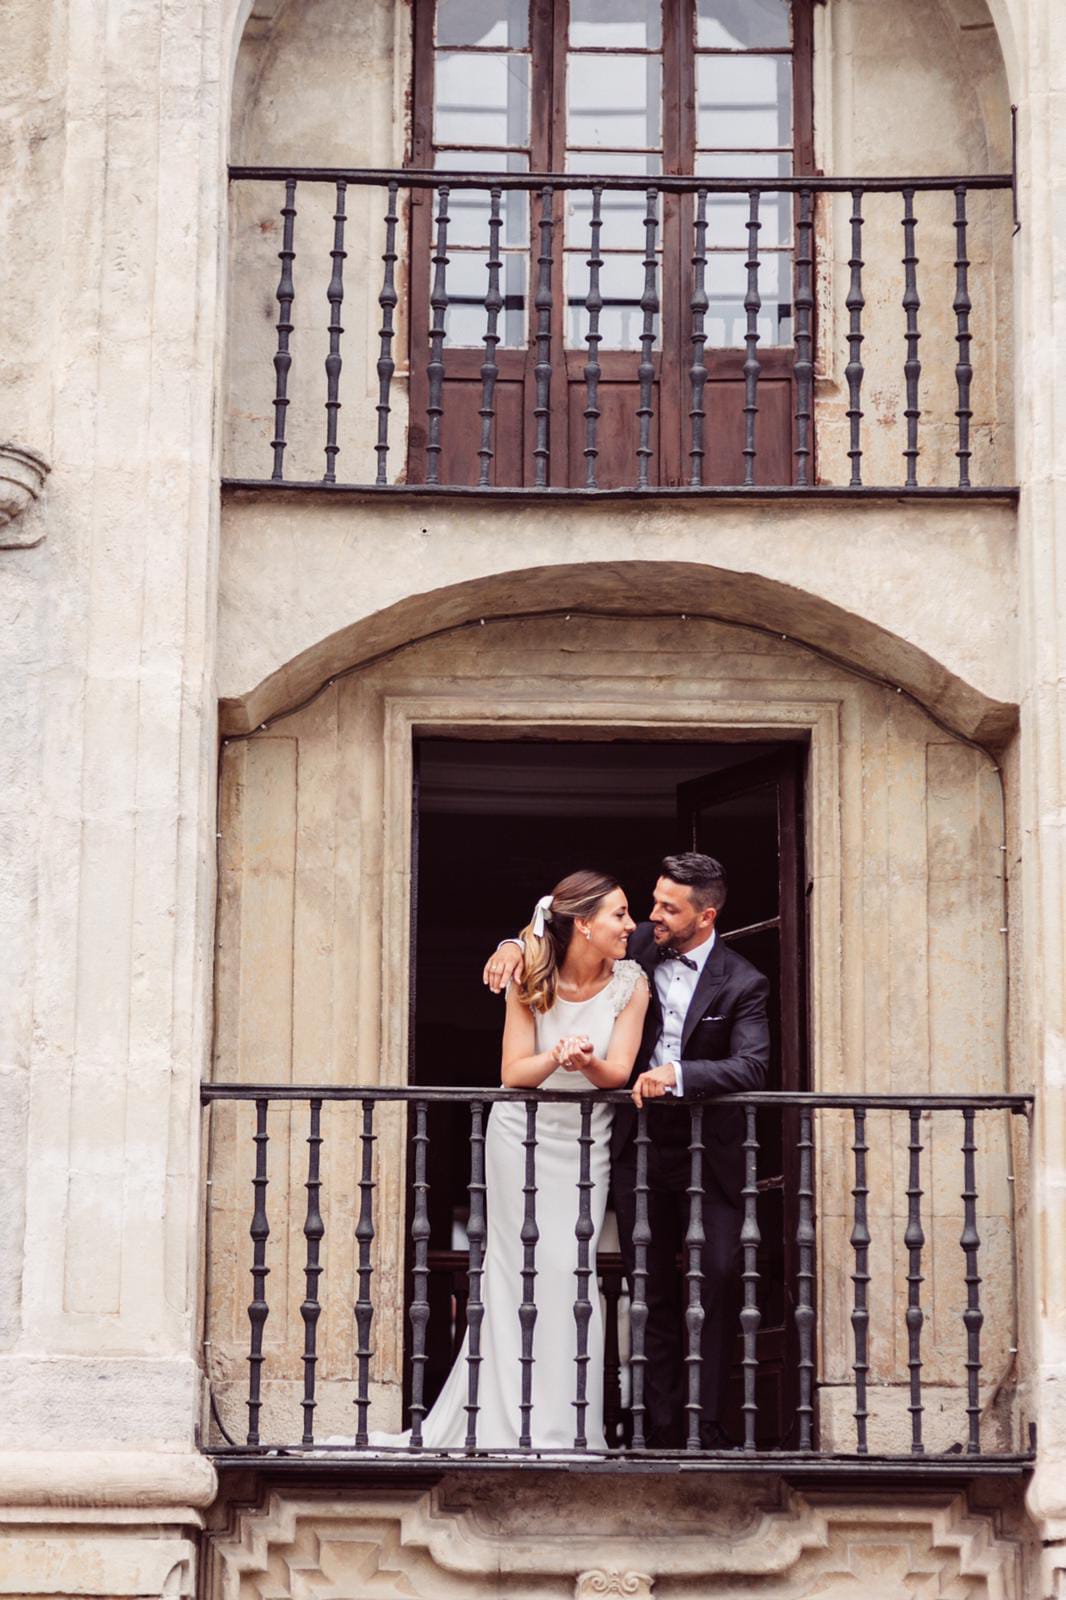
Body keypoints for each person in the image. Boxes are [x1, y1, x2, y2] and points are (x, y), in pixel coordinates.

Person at [483, 852, 770, 1450]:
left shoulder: (743, 981)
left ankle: (708, 1427)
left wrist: (677, 1073)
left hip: (703, 1152)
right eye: (650, 902)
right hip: (634, 1149)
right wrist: (514, 941)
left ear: (705, 914)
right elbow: (560, 921)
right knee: (646, 1288)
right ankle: (656, 1426)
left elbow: (753, 1063)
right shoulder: (633, 943)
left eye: (668, 907)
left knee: (715, 1279)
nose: (649, 917)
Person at [405, 869, 649, 1452]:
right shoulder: (531, 978)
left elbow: (619, 1071)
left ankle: (566, 1429)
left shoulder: (632, 982)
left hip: (585, 1140)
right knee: (514, 1273)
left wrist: (585, 1063)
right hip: (521, 1134)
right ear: (584, 925)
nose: (631, 924)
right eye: (619, 914)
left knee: (572, 1271)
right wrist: (557, 1060)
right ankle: (503, 1422)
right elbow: (513, 1073)